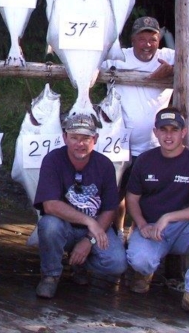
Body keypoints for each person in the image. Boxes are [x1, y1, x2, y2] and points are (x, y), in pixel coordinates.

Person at [126, 107, 189, 326]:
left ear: (183, 132)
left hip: (183, 230)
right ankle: (144, 273)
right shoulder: (145, 160)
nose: (168, 136)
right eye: (163, 130)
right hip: (151, 229)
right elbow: (131, 198)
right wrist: (141, 224)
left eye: (174, 130)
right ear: (155, 132)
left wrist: (169, 217)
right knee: (140, 260)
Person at [34, 113, 127, 299]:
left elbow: (110, 209)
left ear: (95, 139)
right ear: (64, 137)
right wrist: (89, 222)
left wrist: (89, 240)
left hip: (95, 228)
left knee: (117, 263)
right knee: (48, 225)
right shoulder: (52, 160)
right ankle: (51, 275)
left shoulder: (105, 165)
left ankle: (79, 263)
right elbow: (50, 205)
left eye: (86, 138)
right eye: (74, 137)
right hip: (64, 227)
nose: (80, 143)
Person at [101, 16, 175, 239]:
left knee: (146, 194)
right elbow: (88, 63)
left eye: (152, 39)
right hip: (118, 144)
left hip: (153, 146)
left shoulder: (169, 56)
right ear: (132, 39)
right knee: (116, 193)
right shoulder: (118, 57)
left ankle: (137, 234)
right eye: (142, 39)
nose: (147, 44)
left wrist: (173, 70)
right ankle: (117, 232)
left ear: (159, 40)